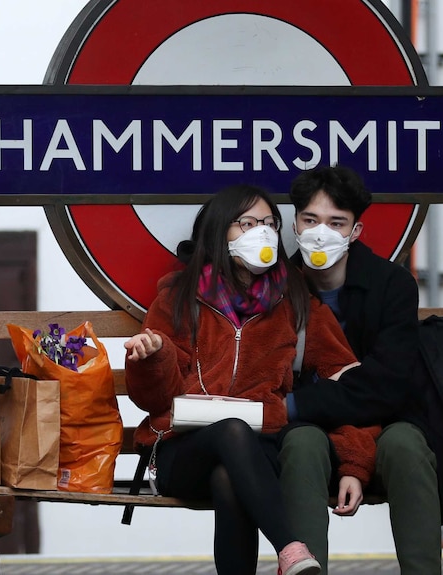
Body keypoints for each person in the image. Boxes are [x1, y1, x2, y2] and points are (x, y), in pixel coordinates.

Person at [124, 184, 378, 575]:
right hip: (182, 449)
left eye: (268, 223)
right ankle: (291, 548)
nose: (261, 232)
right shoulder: (179, 297)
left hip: (260, 453)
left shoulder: (295, 299)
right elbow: (154, 401)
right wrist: (152, 358)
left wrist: (354, 463)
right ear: (218, 231)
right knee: (231, 431)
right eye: (246, 223)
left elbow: (346, 384)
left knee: (230, 475)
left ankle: (289, 553)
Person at [279, 165, 443, 575]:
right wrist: (347, 385)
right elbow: (271, 374)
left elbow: (388, 387)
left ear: (356, 231)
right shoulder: (275, 287)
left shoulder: (391, 285)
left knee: (406, 445)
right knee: (301, 445)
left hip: (385, 426)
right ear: (294, 223)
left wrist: (301, 401)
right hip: (307, 433)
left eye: (337, 223)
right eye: (311, 220)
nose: (321, 233)